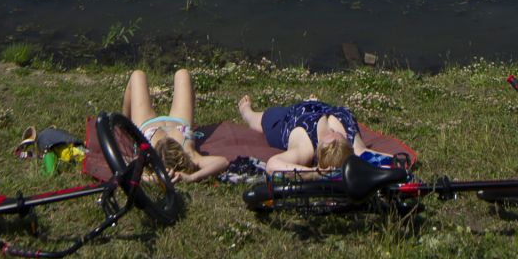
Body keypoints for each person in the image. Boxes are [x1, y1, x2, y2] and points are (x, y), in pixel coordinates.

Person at [122, 68, 229, 183]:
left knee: (137, 75)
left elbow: (126, 163)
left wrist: (151, 179)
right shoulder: (190, 155)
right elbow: (223, 162)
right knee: (183, 73)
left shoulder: (147, 158)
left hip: (148, 126)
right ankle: (122, 123)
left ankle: (122, 123)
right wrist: (192, 177)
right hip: (179, 123)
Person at [237, 94, 370, 174]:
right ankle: (311, 102)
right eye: (338, 136)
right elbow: (387, 159)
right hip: (320, 108)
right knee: (315, 108)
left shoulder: (306, 148)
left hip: (291, 118)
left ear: (320, 149)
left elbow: (272, 165)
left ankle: (247, 113)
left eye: (330, 137)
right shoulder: (354, 144)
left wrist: (314, 174)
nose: (333, 132)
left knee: (260, 120)